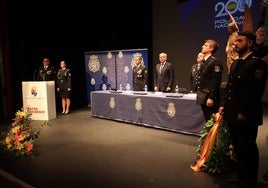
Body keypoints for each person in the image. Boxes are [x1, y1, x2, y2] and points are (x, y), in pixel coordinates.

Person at [219, 31, 268, 188]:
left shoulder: (257, 63)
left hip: (246, 115)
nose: (235, 44)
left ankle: (250, 180)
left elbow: (255, 92)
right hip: (232, 112)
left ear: (250, 43)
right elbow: (230, 88)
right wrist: (223, 105)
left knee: (248, 149)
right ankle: (241, 175)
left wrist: (244, 113)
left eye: (240, 41)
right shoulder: (236, 63)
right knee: (238, 148)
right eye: (235, 41)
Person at [196, 39, 223, 121]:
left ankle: (213, 134)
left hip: (209, 96)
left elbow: (216, 81)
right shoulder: (205, 61)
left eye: (206, 45)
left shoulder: (215, 62)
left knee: (212, 120)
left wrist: (211, 97)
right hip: (203, 95)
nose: (202, 46)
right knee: (207, 119)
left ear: (211, 49)